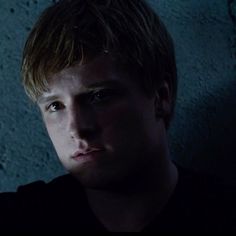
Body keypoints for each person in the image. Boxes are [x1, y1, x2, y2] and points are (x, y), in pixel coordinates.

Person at [0, 0, 235, 232]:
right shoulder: (23, 218)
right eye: (54, 106)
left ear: (160, 98)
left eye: (98, 96)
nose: (76, 128)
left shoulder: (221, 215)